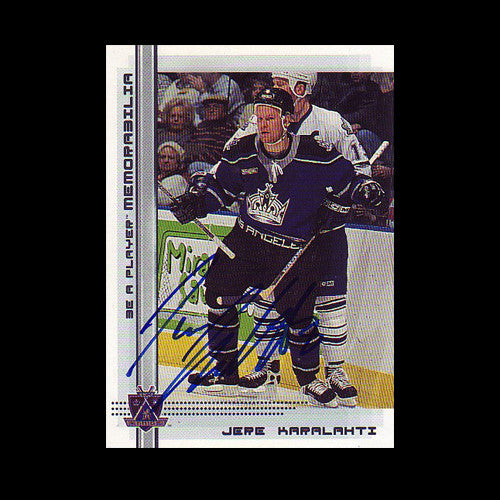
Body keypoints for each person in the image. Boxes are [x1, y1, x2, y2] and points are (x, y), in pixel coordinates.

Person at [169, 88, 384, 407]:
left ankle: (308, 382)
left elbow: (349, 181)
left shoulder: (315, 152)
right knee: (217, 296)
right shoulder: (243, 150)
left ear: (287, 119)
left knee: (299, 317)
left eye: (270, 118)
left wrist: (366, 190)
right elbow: (221, 187)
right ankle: (226, 373)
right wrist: (198, 202)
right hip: (246, 241)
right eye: (259, 118)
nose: (263, 124)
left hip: (292, 249)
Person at [228, 72, 380, 406]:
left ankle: (335, 371)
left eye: (283, 83)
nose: (275, 88)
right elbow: (231, 157)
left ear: (302, 87)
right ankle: (267, 366)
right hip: (276, 232)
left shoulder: (330, 123)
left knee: (330, 305)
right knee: (267, 298)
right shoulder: (261, 120)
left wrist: (344, 201)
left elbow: (360, 172)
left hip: (324, 235)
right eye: (274, 82)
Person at [183, 93, 237, 169]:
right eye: (208, 107)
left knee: (194, 166)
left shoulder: (228, 129)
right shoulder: (200, 127)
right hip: (196, 163)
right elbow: (190, 148)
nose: (211, 110)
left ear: (224, 111)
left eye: (216, 107)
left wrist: (193, 157)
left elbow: (218, 156)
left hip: (218, 168)